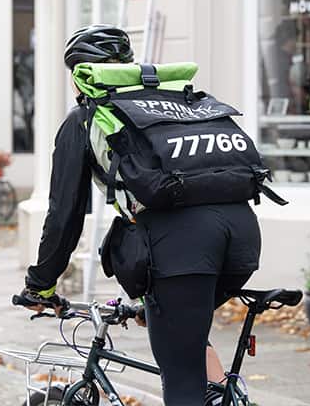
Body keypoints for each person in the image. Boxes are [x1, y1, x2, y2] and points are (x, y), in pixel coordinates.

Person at [19, 25, 261, 405]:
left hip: (182, 247)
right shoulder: (171, 101)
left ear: (80, 74)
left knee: (181, 379)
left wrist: (41, 285)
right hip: (242, 238)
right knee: (184, 330)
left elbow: (64, 216)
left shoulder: (87, 117)